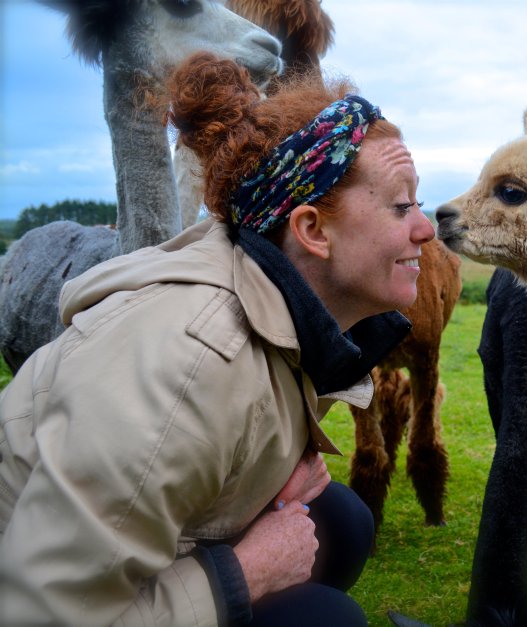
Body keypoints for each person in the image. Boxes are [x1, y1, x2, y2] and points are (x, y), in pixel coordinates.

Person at [0, 51, 436, 626]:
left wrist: (272, 466)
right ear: (311, 230)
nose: (426, 229)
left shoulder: (284, 301)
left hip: (143, 541)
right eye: (401, 206)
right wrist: (243, 573)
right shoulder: (182, 369)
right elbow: (37, 612)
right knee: (326, 619)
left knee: (344, 527)